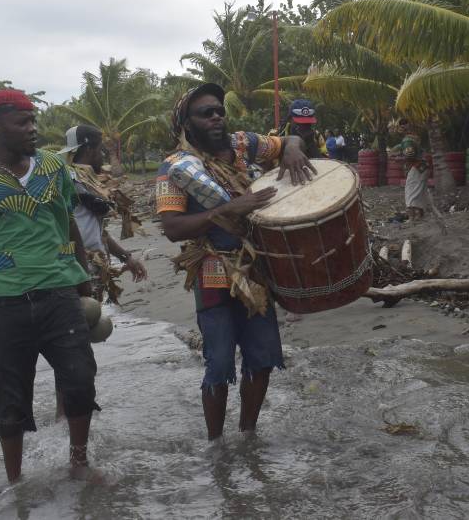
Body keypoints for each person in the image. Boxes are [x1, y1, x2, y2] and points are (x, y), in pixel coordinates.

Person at [0, 89, 102, 483]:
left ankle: (78, 464)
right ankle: (15, 483)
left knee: (80, 381)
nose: (33, 130)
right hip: (4, 305)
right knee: (9, 401)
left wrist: (85, 285)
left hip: (60, 295)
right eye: (22, 123)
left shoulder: (52, 168)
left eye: (34, 121)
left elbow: (69, 223)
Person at [156, 83, 314, 440]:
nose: (216, 117)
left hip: (258, 269)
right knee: (221, 363)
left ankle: (247, 435)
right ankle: (216, 446)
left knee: (262, 359)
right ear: (187, 123)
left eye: (219, 110)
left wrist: (291, 148)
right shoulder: (174, 169)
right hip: (212, 270)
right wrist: (228, 209)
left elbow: (288, 140)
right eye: (205, 113)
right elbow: (172, 228)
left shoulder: (243, 145)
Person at [58, 124, 147, 303]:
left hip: (92, 264)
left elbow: (98, 232)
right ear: (90, 149)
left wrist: (126, 257)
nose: (103, 156)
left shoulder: (86, 180)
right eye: (100, 150)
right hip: (78, 267)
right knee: (87, 321)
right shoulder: (71, 177)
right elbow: (99, 206)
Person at [390, 118, 428, 221]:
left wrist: (399, 159)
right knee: (419, 191)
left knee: (410, 191)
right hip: (422, 167)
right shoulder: (414, 138)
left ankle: (412, 217)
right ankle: (420, 215)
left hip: (417, 167)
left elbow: (410, 156)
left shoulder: (407, 140)